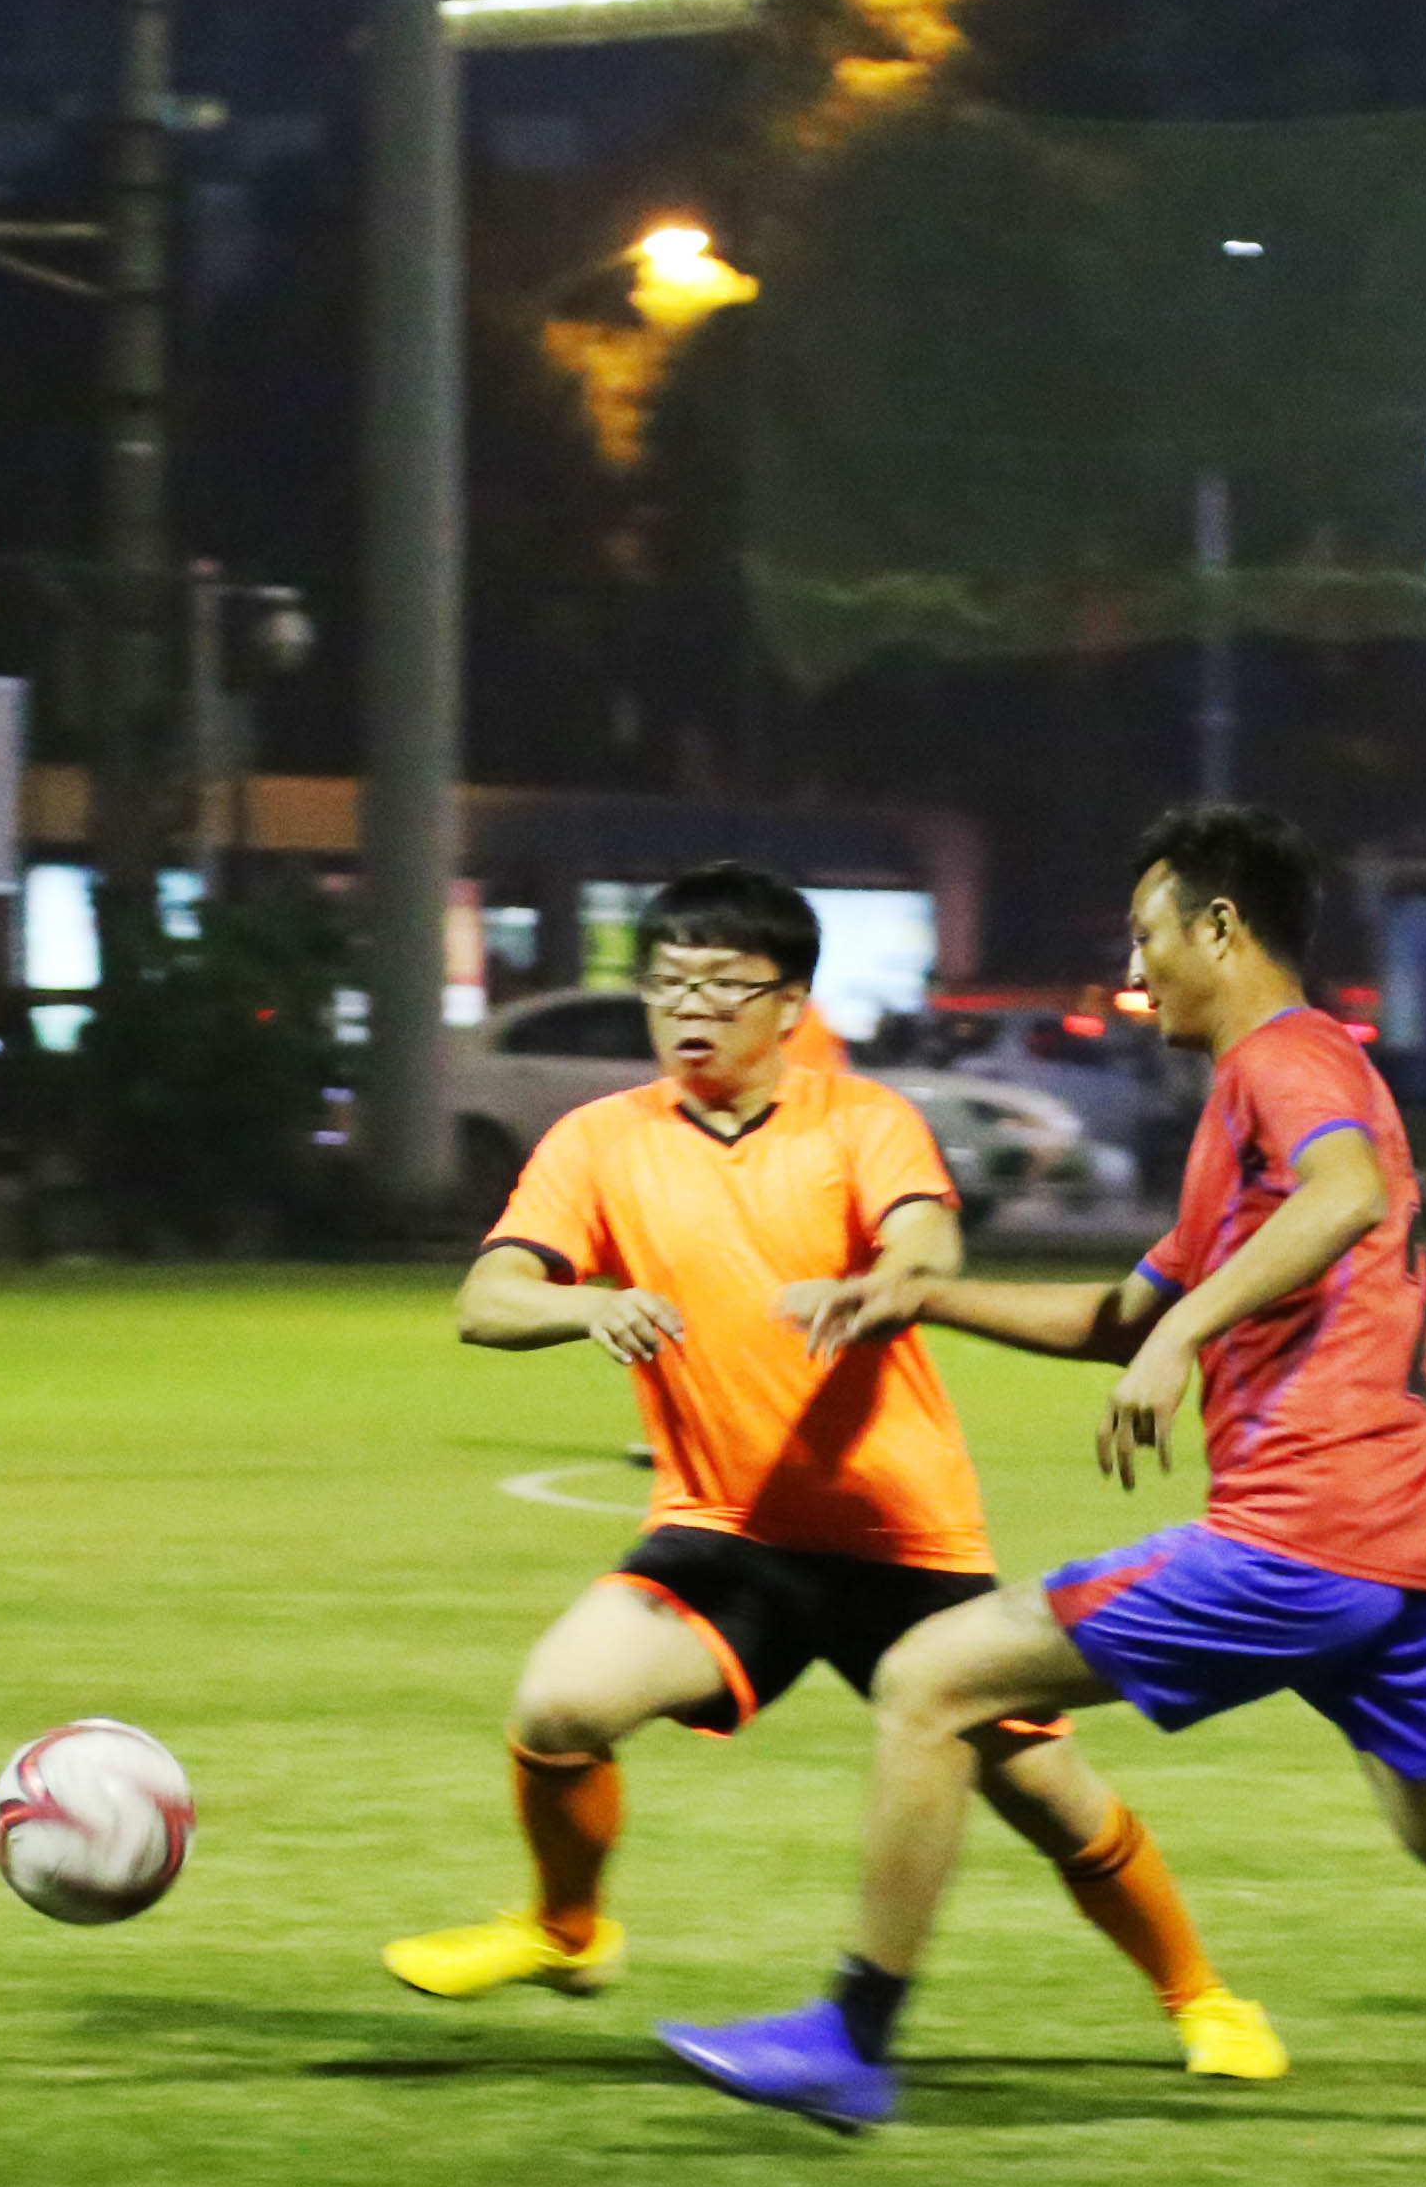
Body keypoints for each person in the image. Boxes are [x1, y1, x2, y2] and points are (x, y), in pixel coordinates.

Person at [655, 802, 1426, 2144]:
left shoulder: (1289, 1058)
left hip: (1303, 1536)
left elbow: (1346, 1198)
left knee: (930, 1677)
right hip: (1394, 1542)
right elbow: (1124, 1315)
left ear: (1220, 927)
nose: (1135, 967)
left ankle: (851, 2042)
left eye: (1147, 934)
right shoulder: (1245, 1107)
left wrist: (1187, 1339)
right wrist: (920, 1296)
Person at [382, 864, 1278, 2081]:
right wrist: (583, 1305)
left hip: (900, 1539)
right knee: (559, 1708)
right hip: (726, 1530)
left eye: (723, 987)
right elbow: (486, 1300)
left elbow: (925, 1235)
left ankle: (1201, 1997)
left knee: (1043, 1789)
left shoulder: (862, 1121)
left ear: (790, 1004)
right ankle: (566, 1932)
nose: (690, 1011)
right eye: (668, 985)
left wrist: (894, 1279)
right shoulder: (598, 1141)